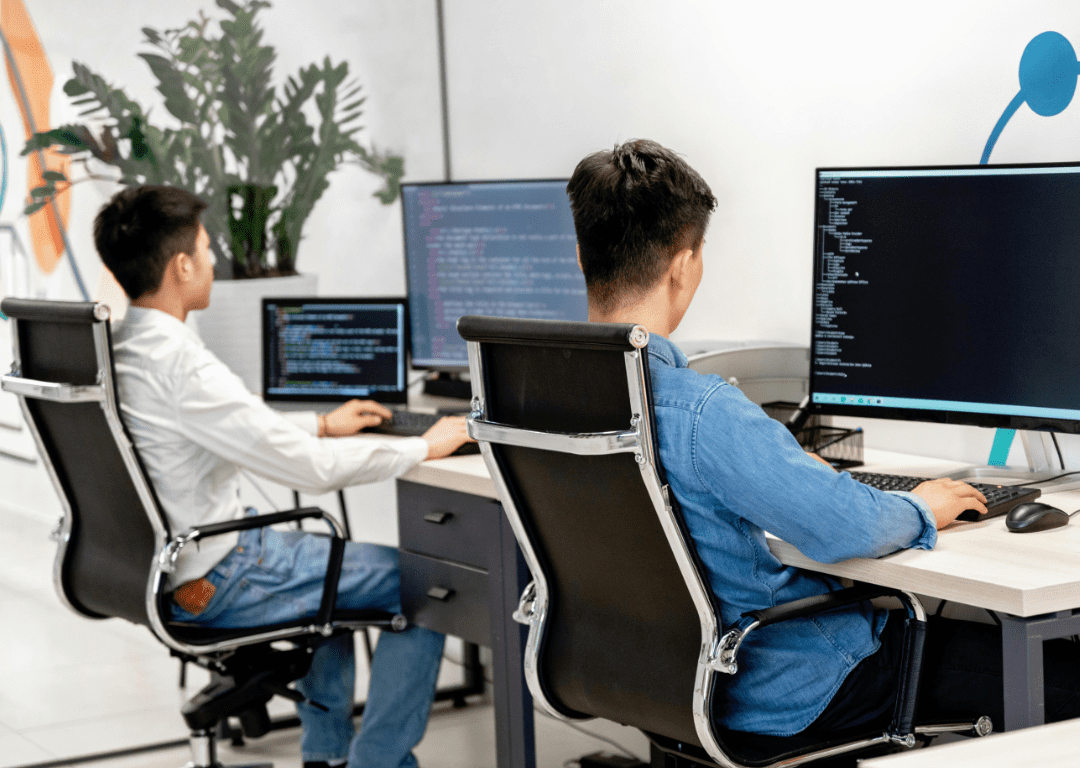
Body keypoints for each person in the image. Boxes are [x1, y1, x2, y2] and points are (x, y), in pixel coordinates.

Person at [564, 139, 1080, 740]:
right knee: (1059, 671)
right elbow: (843, 528)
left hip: (655, 684)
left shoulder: (543, 400)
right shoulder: (702, 412)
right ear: (685, 265)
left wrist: (788, 467)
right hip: (786, 691)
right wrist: (924, 505)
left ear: (580, 257)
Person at [93, 185, 472, 768]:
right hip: (220, 576)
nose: (215, 263)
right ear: (182, 265)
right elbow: (311, 473)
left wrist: (320, 422)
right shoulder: (181, 362)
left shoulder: (122, 349)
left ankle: (327, 756)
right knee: (424, 582)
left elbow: (232, 425)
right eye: (205, 249)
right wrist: (426, 444)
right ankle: (380, 762)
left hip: (175, 574)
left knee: (336, 579)